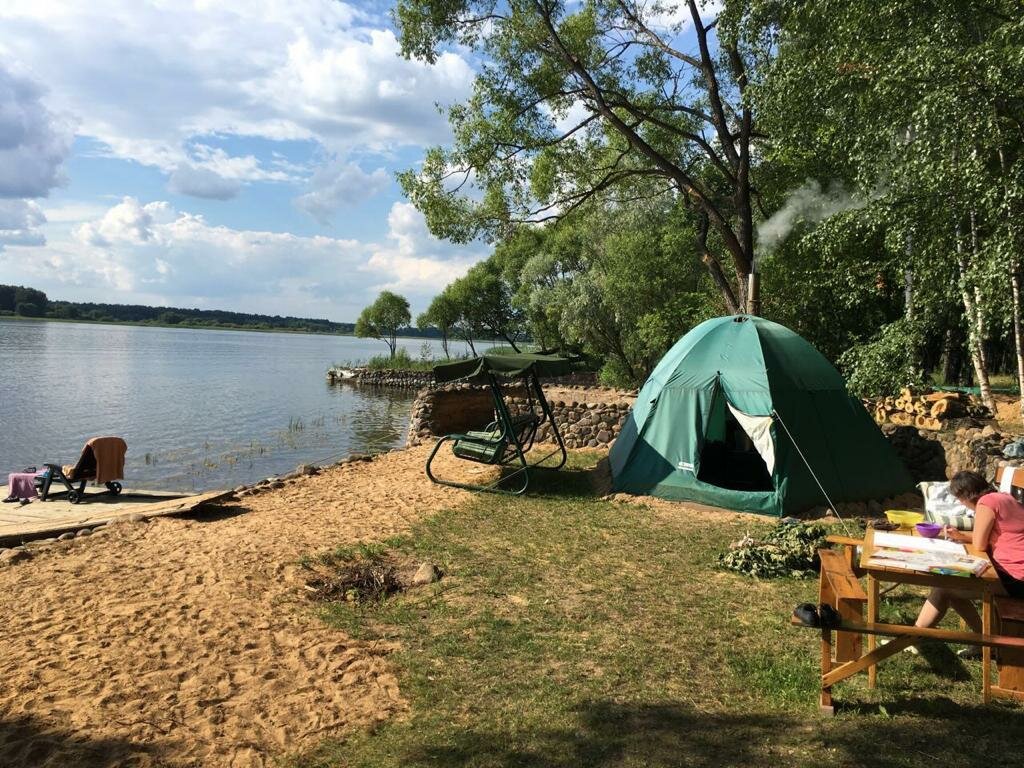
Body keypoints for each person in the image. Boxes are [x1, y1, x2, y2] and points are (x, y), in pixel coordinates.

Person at [914, 470, 1024, 647]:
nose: (960, 503)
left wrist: (966, 538)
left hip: (1014, 579)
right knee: (951, 589)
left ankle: (911, 639)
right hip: (1016, 577)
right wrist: (962, 537)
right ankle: (984, 642)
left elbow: (980, 545)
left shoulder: (986, 503)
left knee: (944, 589)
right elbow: (997, 536)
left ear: (966, 495)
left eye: (959, 498)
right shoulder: (1004, 498)